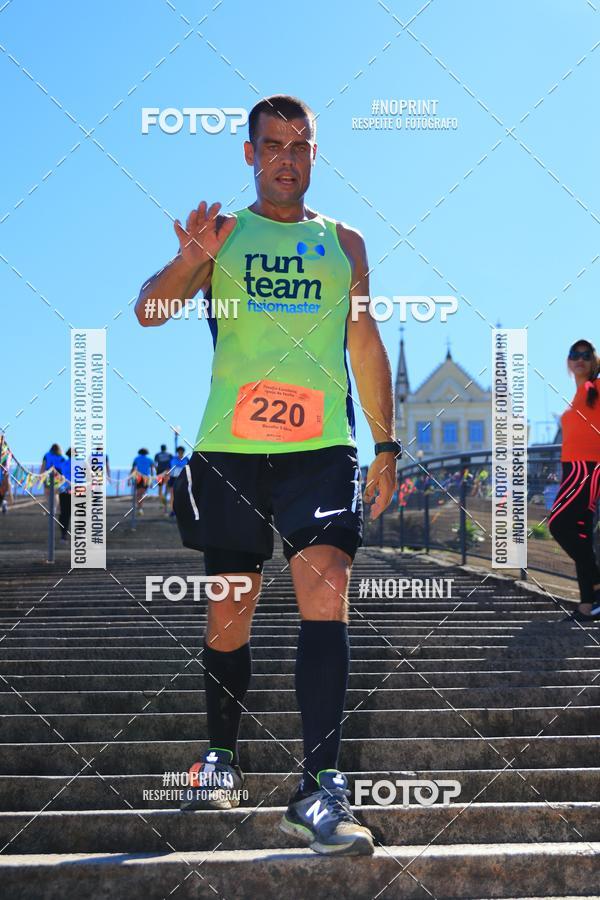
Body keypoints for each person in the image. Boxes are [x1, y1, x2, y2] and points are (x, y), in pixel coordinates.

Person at [135, 94, 398, 856]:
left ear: (315, 153)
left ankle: (319, 791)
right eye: (273, 144)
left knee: (326, 583)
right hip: (231, 451)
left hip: (322, 448)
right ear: (250, 155)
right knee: (230, 615)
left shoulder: (344, 243)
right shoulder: (223, 235)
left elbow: (365, 340)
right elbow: (151, 311)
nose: (288, 156)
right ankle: (221, 757)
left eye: (301, 144)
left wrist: (385, 445)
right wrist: (190, 258)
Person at [549, 339, 600, 622]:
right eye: (574, 354)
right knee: (579, 532)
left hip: (588, 467)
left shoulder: (598, 387)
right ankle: (588, 603)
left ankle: (596, 585)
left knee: (560, 525)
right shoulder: (580, 394)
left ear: (594, 360)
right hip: (574, 469)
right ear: (568, 362)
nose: (579, 358)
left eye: (586, 354)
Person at [129, 448, 154, 515]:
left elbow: (133, 469)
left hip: (138, 477)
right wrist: (151, 481)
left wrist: (129, 479)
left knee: (139, 493)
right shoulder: (150, 459)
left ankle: (140, 507)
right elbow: (152, 471)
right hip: (146, 478)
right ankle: (140, 508)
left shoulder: (136, 458)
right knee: (142, 493)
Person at [167, 446, 189, 516]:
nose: (180, 453)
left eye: (181, 452)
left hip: (183, 479)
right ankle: (172, 510)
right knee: (172, 495)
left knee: (183, 494)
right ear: (177, 452)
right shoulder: (173, 459)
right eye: (179, 452)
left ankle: (182, 510)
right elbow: (169, 468)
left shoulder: (186, 459)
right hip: (173, 478)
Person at [58, 448, 72, 542]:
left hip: (64, 491)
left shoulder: (63, 464)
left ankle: (63, 535)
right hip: (79, 491)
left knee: (64, 514)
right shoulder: (83, 463)